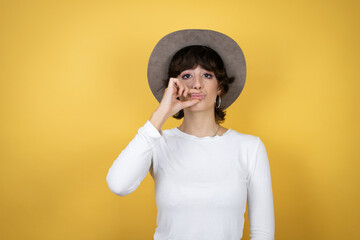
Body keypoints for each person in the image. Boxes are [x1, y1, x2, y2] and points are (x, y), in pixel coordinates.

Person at [106, 29, 275, 240]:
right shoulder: (158, 143)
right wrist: (161, 114)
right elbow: (118, 184)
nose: (197, 84)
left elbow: (262, 233)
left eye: (207, 75)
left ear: (220, 87)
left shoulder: (250, 147)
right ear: (174, 86)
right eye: (186, 75)